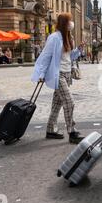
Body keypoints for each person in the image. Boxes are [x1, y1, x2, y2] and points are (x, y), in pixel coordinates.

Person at [32, 13, 84, 144]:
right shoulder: (54, 38)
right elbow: (46, 56)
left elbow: (69, 56)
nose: (71, 23)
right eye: (69, 21)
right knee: (69, 102)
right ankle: (72, 131)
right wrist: (41, 74)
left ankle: (50, 129)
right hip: (58, 74)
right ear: (64, 23)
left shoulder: (68, 37)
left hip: (67, 74)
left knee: (57, 104)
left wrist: (78, 50)